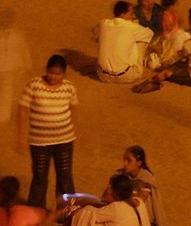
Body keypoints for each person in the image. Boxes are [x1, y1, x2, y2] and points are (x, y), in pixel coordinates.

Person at [18, 55, 77, 207]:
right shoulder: (34, 85)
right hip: (39, 142)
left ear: (64, 73)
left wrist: (72, 130)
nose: (53, 77)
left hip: (64, 141)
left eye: (57, 74)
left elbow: (73, 108)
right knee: (39, 177)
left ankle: (67, 212)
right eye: (51, 72)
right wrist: (21, 137)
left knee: (64, 177)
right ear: (46, 70)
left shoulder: (69, 88)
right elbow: (23, 109)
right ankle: (35, 211)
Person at [97, 0, 154, 84]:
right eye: (131, 13)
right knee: (141, 40)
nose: (134, 15)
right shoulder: (132, 27)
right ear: (123, 14)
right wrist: (135, 24)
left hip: (103, 76)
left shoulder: (103, 23)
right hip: (125, 76)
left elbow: (96, 35)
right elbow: (150, 33)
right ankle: (138, 67)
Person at [111, 146, 167, 226]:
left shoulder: (146, 177)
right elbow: (106, 197)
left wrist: (121, 195)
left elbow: (138, 201)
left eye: (129, 160)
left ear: (139, 163)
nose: (124, 163)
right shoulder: (119, 175)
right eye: (124, 159)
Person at [73, 174, 151, 226]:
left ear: (110, 190)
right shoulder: (138, 202)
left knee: (85, 214)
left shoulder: (115, 208)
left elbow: (89, 213)